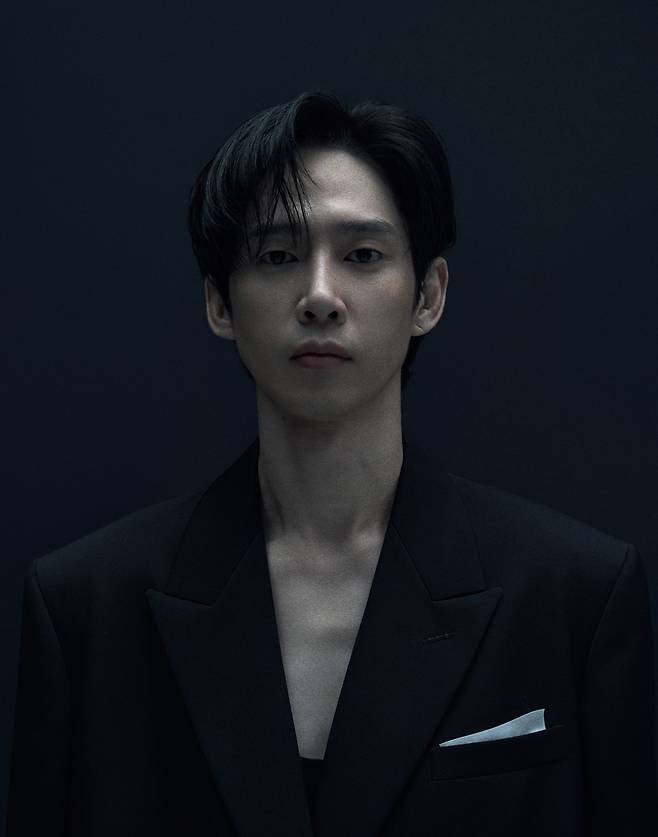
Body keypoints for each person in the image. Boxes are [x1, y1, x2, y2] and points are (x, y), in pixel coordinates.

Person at [6, 89, 657, 836]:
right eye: (278, 256)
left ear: (428, 295)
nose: (320, 296)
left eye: (363, 255)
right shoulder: (86, 610)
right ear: (219, 303)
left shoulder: (575, 597)